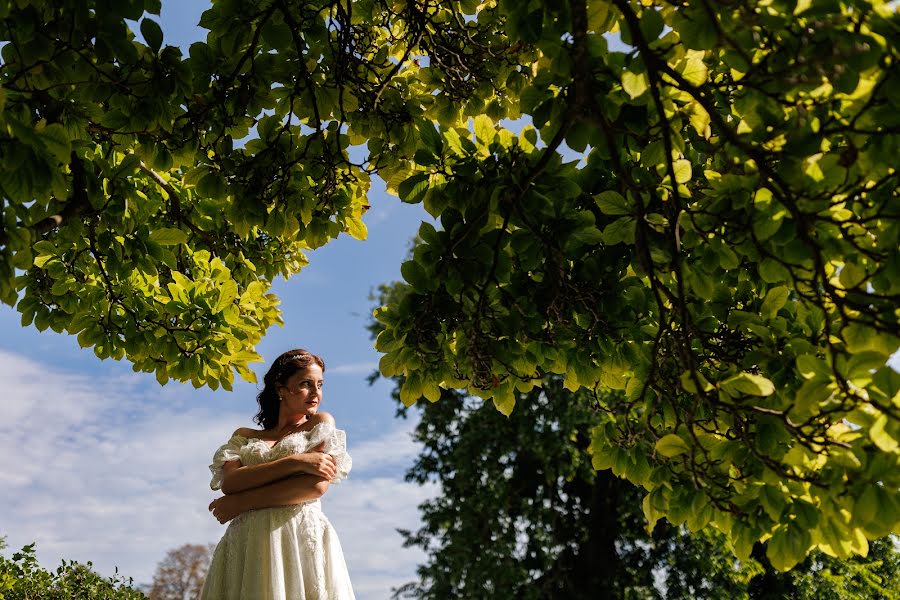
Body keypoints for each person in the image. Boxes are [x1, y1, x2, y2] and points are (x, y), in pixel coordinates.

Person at [200, 349, 355, 600]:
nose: (316, 393)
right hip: (247, 543)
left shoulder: (320, 425)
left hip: (296, 536)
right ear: (281, 388)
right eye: (306, 384)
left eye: (320, 385)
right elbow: (230, 482)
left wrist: (242, 502)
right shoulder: (245, 436)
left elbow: (314, 487)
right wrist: (296, 461)